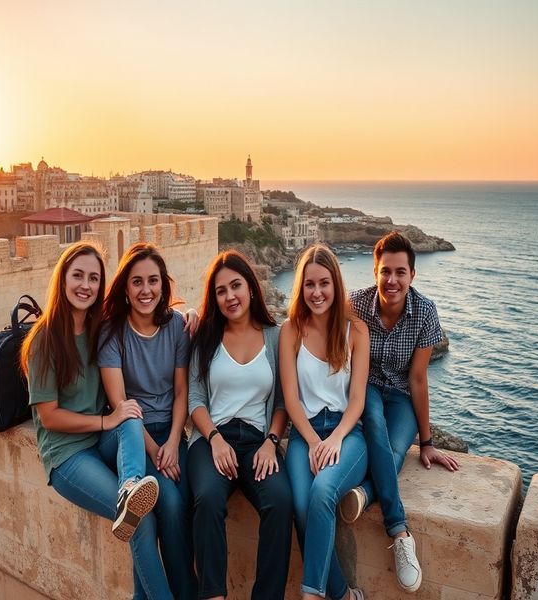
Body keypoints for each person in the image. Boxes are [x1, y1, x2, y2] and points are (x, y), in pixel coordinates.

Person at [20, 242, 160, 586]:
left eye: (94, 278)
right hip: (67, 456)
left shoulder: (101, 328)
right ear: (63, 280)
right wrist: (105, 421)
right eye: (78, 276)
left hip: (99, 442)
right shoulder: (45, 339)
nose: (85, 285)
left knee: (130, 412)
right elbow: (49, 417)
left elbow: (146, 314)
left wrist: (191, 316)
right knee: (141, 521)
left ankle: (130, 487)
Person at [339, 232, 460, 593]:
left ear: (412, 275)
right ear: (375, 271)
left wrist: (427, 442)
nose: (392, 280)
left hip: (402, 394)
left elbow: (419, 378)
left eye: (400, 272)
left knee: (396, 449)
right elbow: (315, 325)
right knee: (374, 424)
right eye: (385, 271)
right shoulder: (355, 305)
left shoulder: (424, 311)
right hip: (365, 386)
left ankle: (365, 493)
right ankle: (399, 530)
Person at [187, 250, 293, 600]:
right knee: (206, 499)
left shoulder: (275, 336)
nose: (230, 296)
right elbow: (195, 400)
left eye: (236, 286)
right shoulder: (204, 336)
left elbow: (282, 402)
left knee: (280, 502)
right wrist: (215, 439)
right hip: (211, 439)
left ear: (250, 288)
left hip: (257, 442)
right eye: (221, 291)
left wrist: (271, 442)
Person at [98, 242, 197, 600]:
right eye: (137, 281)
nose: (146, 290)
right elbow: (121, 404)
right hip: (131, 437)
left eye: (153, 281)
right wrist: (156, 451)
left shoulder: (176, 327)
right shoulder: (112, 333)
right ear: (125, 287)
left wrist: (172, 442)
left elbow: (182, 391)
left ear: (162, 284)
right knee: (169, 503)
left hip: (171, 433)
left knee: (181, 507)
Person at [280, 244, 370, 600]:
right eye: (309, 284)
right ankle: (344, 595)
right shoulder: (291, 330)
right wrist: (314, 441)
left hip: (347, 435)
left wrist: (334, 439)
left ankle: (312, 595)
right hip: (304, 434)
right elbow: (290, 399)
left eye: (324, 283)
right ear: (301, 288)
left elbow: (358, 399)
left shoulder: (356, 331)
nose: (316, 292)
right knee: (302, 508)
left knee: (322, 492)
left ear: (336, 284)